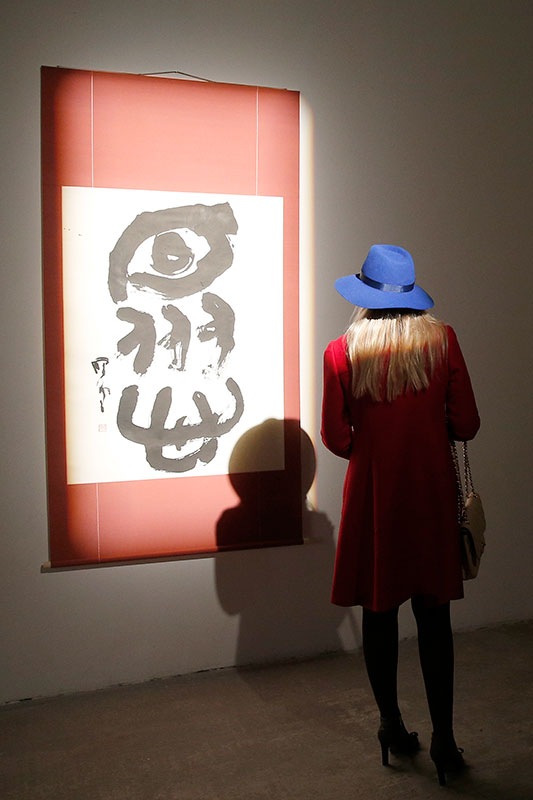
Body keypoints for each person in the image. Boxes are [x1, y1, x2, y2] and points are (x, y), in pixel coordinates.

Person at [321, 244, 480, 786]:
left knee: (379, 609)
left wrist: (374, 447)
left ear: (364, 294)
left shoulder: (341, 351)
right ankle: (445, 741)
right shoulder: (443, 341)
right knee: (435, 617)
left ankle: (390, 725)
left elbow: (336, 438)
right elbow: (467, 423)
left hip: (374, 496)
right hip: (430, 493)